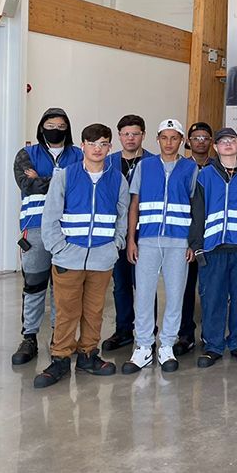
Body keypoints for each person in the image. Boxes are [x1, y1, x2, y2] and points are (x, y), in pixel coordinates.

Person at [33, 123, 129, 388]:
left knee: (94, 310)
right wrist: (59, 248)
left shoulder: (117, 178)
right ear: (83, 146)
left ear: (110, 148)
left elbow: (122, 216)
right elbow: (50, 216)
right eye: (93, 143)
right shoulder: (66, 175)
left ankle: (88, 354)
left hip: (102, 257)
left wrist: (115, 246)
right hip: (68, 257)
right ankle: (60, 358)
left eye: (103, 144)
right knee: (66, 311)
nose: (98, 149)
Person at [122, 119, 197, 374]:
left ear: (181, 141)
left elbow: (195, 207)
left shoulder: (190, 168)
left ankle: (166, 345)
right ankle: (143, 346)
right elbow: (134, 205)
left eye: (174, 138)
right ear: (157, 140)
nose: (168, 143)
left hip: (178, 242)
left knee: (175, 295)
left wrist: (191, 242)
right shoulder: (145, 166)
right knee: (143, 294)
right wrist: (131, 239)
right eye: (164, 138)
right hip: (147, 241)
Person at [11, 107, 83, 366]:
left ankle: (59, 337)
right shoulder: (26, 154)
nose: (55, 130)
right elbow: (26, 184)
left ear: (68, 128)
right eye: (50, 125)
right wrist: (60, 180)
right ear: (42, 127)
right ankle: (29, 337)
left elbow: (81, 185)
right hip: (36, 230)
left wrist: (43, 179)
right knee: (34, 284)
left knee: (64, 288)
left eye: (61, 126)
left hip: (69, 230)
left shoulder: (78, 154)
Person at [189, 128, 237, 368]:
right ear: (216, 147)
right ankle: (213, 346)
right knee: (212, 298)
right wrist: (197, 246)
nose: (228, 144)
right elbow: (197, 213)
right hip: (214, 247)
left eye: (232, 140)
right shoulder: (205, 176)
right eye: (223, 142)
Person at [103, 114, 153, 353]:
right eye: (126, 134)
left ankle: (147, 330)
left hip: (145, 233)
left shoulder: (154, 162)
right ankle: (123, 330)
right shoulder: (108, 162)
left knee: (145, 284)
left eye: (135, 133)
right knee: (120, 284)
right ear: (119, 136)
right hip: (115, 233)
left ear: (143, 135)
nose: (131, 138)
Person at [174, 121, 214, 356]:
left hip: (211, 236)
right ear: (188, 142)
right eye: (196, 137)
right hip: (185, 235)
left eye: (205, 137)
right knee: (185, 287)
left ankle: (210, 333)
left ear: (211, 142)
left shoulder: (218, 166)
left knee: (210, 288)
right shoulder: (181, 167)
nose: (200, 141)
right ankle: (185, 334)